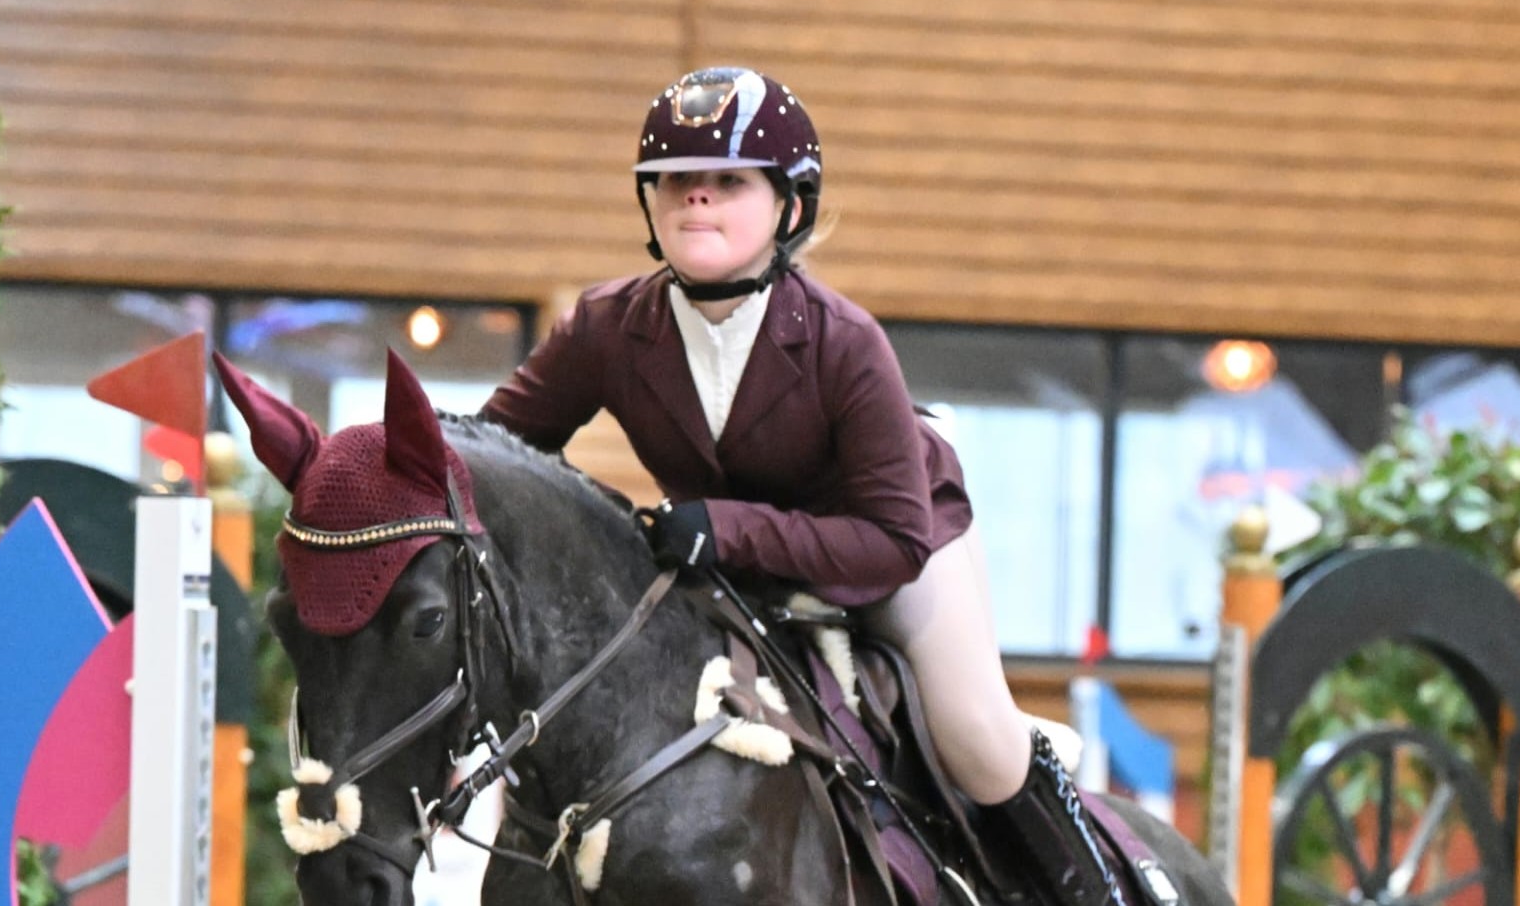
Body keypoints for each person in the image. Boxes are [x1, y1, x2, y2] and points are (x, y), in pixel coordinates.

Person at [478, 66, 1125, 906]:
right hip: (732, 565)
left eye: (728, 182)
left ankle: (1102, 882)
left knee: (975, 743)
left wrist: (728, 529)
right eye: (675, 182)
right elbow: (488, 453)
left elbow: (891, 541)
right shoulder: (606, 328)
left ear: (789, 206)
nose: (696, 200)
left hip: (894, 541)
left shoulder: (845, 341)